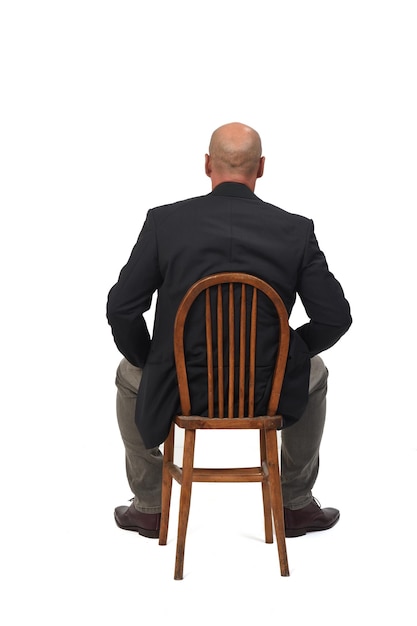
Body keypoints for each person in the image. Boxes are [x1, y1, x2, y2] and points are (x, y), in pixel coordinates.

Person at [107, 122, 352, 539]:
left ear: (207, 165)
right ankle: (294, 503)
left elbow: (121, 308)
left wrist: (149, 359)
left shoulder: (165, 223)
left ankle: (149, 506)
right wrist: (290, 353)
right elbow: (335, 317)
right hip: (265, 389)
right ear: (261, 168)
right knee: (316, 371)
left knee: (128, 375)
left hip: (178, 387)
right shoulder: (294, 230)